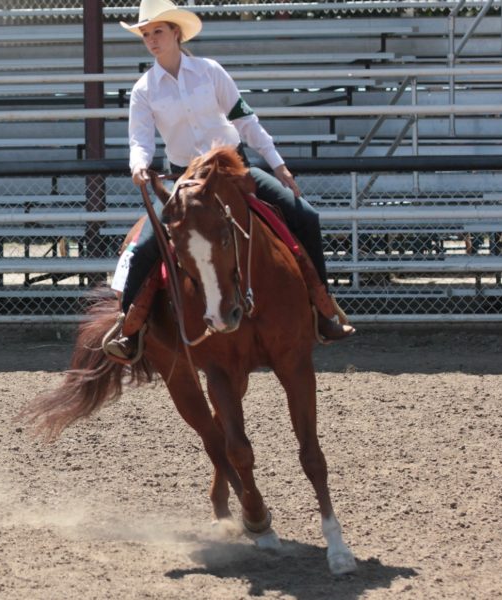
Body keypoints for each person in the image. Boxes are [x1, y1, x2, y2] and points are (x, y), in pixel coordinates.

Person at [105, 0, 354, 360]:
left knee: (307, 216)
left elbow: (246, 121)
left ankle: (323, 306)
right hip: (184, 179)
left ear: (176, 32)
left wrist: (278, 164)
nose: (151, 40)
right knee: (144, 247)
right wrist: (139, 165)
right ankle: (129, 327)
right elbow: (139, 139)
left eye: (157, 31)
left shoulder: (210, 72)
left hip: (234, 171)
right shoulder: (144, 90)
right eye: (145, 34)